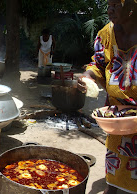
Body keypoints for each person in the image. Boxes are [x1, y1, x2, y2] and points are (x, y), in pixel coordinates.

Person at [77, 0, 137, 193]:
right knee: (115, 164)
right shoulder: (106, 34)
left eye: (116, 5)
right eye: (108, 4)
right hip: (116, 117)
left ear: (132, 7)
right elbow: (98, 63)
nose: (110, 10)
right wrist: (88, 75)